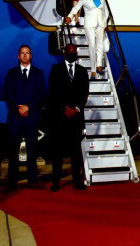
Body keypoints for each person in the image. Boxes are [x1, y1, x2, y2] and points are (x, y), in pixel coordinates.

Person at [3, 45, 45, 192]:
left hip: (31, 117)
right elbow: (8, 94)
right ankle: (12, 181)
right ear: (18, 57)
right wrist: (19, 108)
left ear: (31, 56)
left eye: (27, 53)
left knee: (32, 149)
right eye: (22, 53)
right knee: (13, 150)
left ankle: (32, 179)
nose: (25, 55)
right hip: (15, 118)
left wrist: (28, 107)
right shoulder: (11, 73)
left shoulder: (38, 74)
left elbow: (40, 94)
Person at [49, 44, 89, 191]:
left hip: (76, 117)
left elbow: (84, 93)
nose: (71, 53)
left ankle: (76, 180)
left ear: (76, 53)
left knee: (76, 152)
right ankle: (56, 182)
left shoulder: (82, 71)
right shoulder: (55, 69)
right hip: (60, 116)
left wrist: (76, 109)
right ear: (64, 53)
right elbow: (52, 92)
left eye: (74, 51)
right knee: (57, 151)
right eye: (69, 51)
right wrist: (64, 109)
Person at [64, 0, 108, 79]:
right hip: (89, 24)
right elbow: (76, 7)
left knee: (100, 45)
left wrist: (105, 23)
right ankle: (93, 69)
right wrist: (70, 16)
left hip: (100, 23)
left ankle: (99, 65)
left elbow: (105, 12)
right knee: (92, 45)